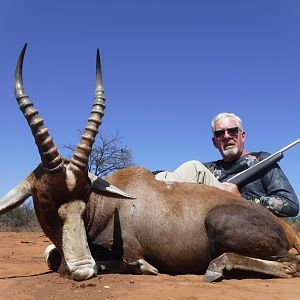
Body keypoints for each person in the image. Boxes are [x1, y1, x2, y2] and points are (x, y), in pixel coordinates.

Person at [155, 112, 299, 217]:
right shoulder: (210, 169)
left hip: (251, 223)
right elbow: (175, 176)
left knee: (193, 167)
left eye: (232, 131)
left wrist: (241, 199)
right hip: (213, 226)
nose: (226, 136)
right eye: (219, 134)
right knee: (164, 176)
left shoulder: (262, 159)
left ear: (242, 136)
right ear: (214, 142)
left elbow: (291, 205)